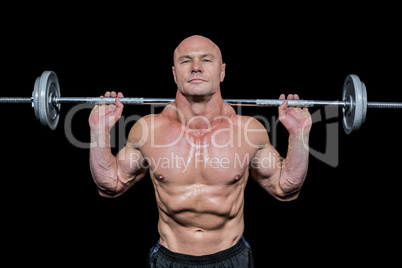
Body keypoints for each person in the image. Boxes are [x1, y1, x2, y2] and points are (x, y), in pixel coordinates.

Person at [88, 35, 312, 267]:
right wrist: (99, 129)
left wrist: (299, 134)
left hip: (231, 258)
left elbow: (285, 188)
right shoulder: (148, 129)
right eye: (186, 61)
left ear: (222, 71)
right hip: (170, 258)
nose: (196, 68)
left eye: (206, 60)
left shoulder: (248, 130)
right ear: (174, 74)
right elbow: (110, 184)